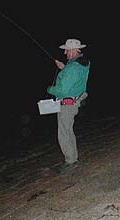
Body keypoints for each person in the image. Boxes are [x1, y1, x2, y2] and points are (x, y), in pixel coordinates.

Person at [47, 38, 90, 169]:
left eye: (67, 50)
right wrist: (64, 67)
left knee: (64, 133)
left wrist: (49, 89)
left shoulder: (72, 68)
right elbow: (75, 76)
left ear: (74, 50)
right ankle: (73, 157)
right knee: (69, 131)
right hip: (74, 101)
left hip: (67, 104)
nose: (65, 52)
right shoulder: (84, 63)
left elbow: (62, 90)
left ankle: (71, 161)